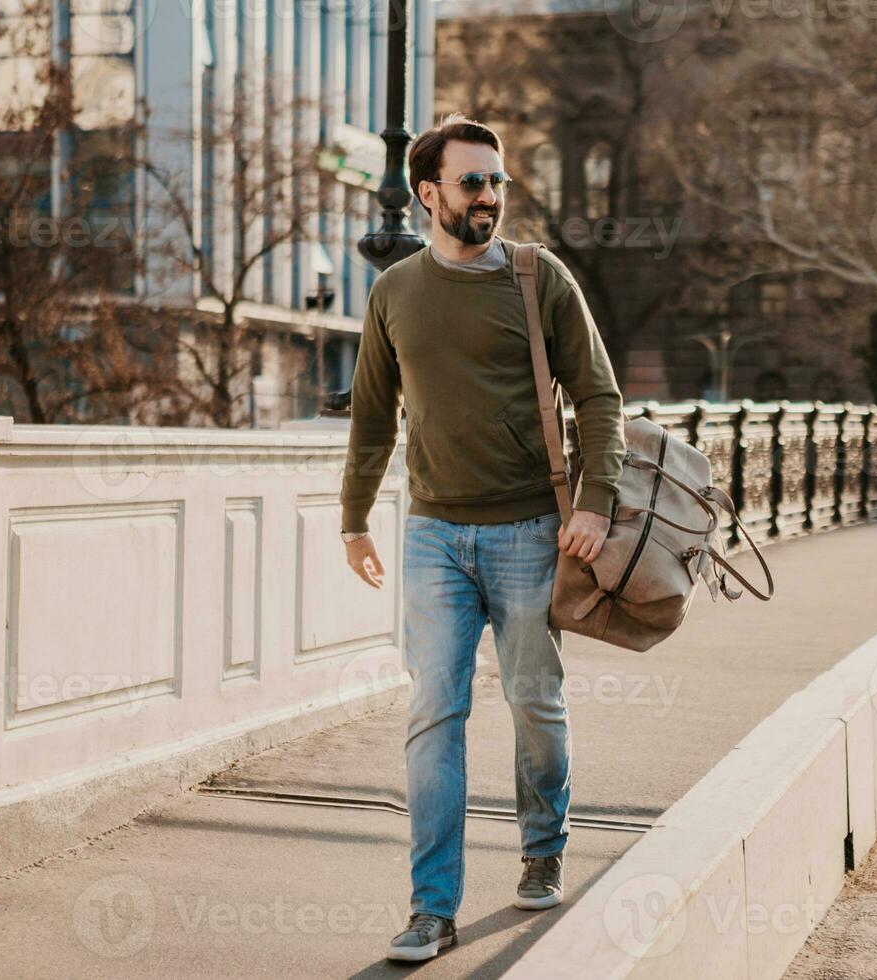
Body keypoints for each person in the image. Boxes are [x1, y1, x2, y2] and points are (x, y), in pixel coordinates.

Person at [337, 114, 626, 963]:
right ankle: (432, 908)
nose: (490, 197)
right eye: (473, 183)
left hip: (534, 532)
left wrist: (595, 501)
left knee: (535, 702)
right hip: (432, 534)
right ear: (428, 194)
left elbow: (599, 397)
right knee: (435, 714)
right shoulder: (394, 292)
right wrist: (354, 517)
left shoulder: (540, 279)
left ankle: (543, 847)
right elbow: (368, 419)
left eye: (497, 182)